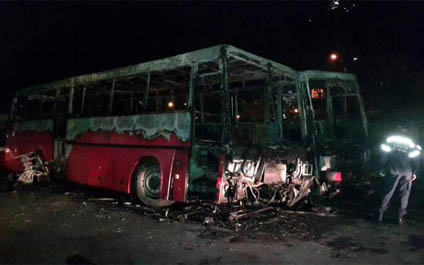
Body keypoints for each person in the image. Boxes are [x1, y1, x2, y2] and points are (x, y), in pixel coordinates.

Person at [378, 124, 421, 224]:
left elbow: (384, 155)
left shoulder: (390, 139)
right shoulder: (411, 141)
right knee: (404, 193)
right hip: (407, 170)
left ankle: (381, 213)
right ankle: (400, 216)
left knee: (388, 191)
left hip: (393, 169)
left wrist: (382, 167)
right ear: (407, 129)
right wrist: (415, 172)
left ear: (398, 128)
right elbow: (416, 158)